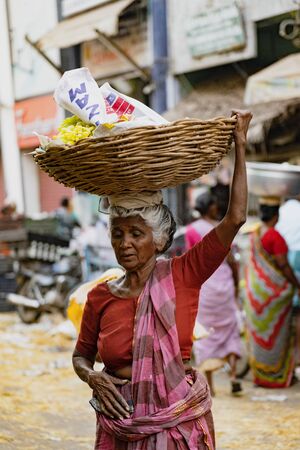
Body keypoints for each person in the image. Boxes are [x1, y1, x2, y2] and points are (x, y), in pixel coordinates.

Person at [72, 110, 252, 450]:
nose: (124, 243)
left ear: (158, 239)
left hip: (176, 421)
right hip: (120, 423)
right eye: (117, 233)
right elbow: (81, 355)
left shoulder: (185, 273)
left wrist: (239, 145)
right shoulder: (100, 296)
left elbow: (236, 217)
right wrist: (92, 377)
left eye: (136, 233)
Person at [186, 192, 242, 396]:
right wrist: (236, 284)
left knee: (206, 333)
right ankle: (234, 376)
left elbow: (190, 260)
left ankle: (210, 384)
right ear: (210, 207)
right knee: (230, 328)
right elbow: (233, 261)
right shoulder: (223, 228)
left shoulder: (192, 230)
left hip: (206, 287)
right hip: (224, 284)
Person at [245, 197, 300, 388]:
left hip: (257, 296)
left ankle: (261, 375)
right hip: (275, 297)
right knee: (281, 334)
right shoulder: (274, 237)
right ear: (277, 214)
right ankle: (278, 375)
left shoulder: (255, 233)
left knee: (261, 335)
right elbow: (283, 266)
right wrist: (296, 284)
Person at [277, 196, 300, 368]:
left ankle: (290, 356)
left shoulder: (283, 209)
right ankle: (297, 355)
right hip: (294, 260)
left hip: (285, 259)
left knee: (287, 312)